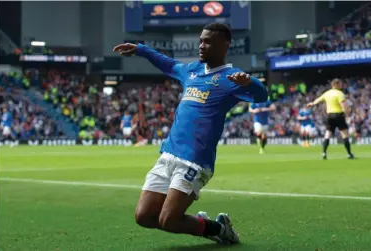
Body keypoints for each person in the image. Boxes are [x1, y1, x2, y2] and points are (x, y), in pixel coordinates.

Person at [113, 23, 267, 244]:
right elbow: (167, 64)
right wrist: (141, 49)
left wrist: (250, 82)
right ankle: (208, 225)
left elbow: (262, 96)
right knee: (144, 216)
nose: (202, 46)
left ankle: (221, 230)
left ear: (225, 45)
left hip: (194, 161)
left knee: (168, 220)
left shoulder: (231, 78)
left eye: (209, 42)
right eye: (201, 41)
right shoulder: (191, 71)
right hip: (168, 155)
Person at [306, 78, 355, 160]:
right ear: (335, 85)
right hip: (339, 115)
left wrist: (312, 103)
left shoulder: (327, 93)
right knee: (344, 135)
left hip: (330, 116)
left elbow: (319, 99)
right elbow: (343, 105)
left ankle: (324, 153)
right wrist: (346, 114)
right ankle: (349, 154)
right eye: (340, 84)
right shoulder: (339, 94)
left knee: (328, 134)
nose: (341, 85)